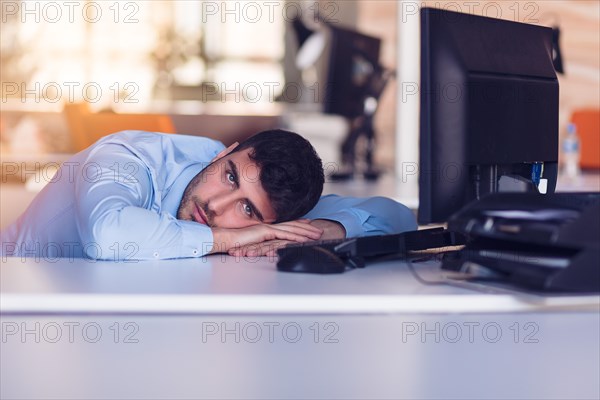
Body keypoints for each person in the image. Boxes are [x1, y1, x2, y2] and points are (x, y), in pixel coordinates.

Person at [1, 129, 417, 261]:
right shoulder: (127, 158)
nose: (216, 206)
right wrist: (229, 237)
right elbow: (107, 235)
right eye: (229, 176)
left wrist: (319, 230)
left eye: (248, 210)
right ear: (227, 152)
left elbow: (396, 215)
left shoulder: (272, 208)